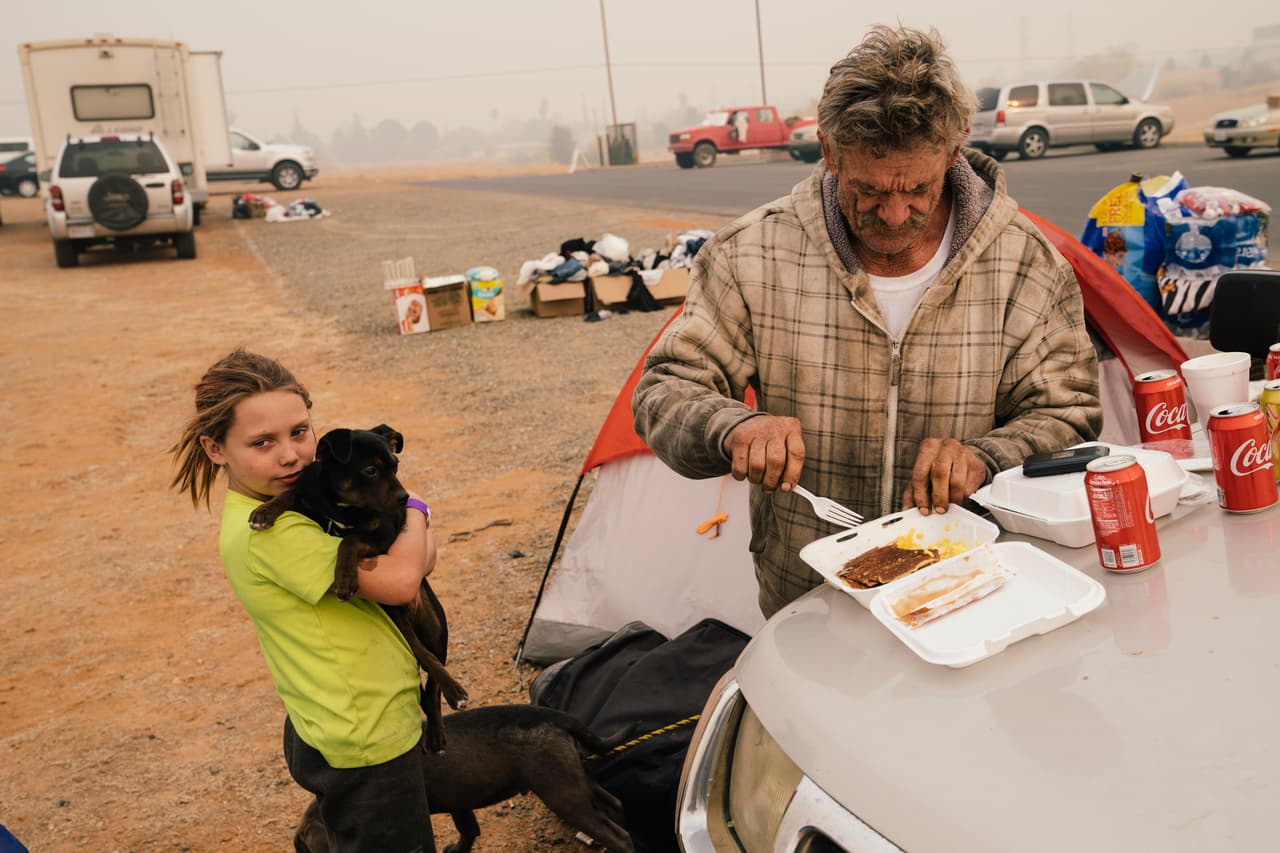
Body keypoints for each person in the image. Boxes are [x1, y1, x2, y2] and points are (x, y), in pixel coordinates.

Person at [633, 24, 1101, 618]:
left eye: (917, 189)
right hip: (808, 600)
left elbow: (1073, 414)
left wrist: (987, 456)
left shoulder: (1023, 261)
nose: (895, 213)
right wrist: (732, 427)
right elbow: (664, 391)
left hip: (973, 589)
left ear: (953, 153)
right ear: (829, 153)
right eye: (869, 191)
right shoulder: (751, 254)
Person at [171, 349, 438, 853]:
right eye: (262, 442)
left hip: (331, 716)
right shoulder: (273, 533)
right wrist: (417, 508)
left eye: (299, 431)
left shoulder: (297, 505)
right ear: (214, 449)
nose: (291, 454)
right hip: (363, 734)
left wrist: (413, 544)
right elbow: (405, 578)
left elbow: (425, 560)